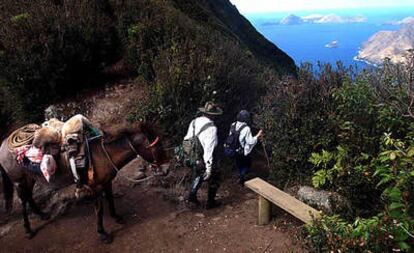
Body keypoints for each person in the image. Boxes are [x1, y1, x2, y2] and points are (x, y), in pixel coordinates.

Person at [183, 101, 223, 209]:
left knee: (197, 174)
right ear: (213, 115)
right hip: (203, 157)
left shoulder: (195, 121)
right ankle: (210, 202)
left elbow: (187, 138)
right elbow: (208, 150)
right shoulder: (212, 129)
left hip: (192, 155)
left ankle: (191, 196)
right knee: (214, 177)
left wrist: (193, 157)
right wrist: (209, 168)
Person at [230, 110, 264, 185]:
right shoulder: (246, 128)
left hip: (234, 150)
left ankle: (239, 175)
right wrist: (258, 135)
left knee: (239, 164)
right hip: (243, 151)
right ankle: (241, 178)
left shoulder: (233, 125)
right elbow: (250, 142)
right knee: (246, 164)